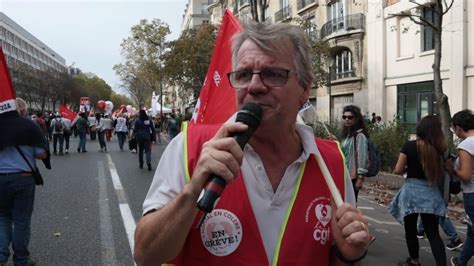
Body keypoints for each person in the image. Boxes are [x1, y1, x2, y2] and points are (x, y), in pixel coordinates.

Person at [134, 22, 369, 265]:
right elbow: (145, 255)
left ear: (304, 89)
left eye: (273, 74)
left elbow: (334, 257)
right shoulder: (189, 146)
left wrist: (347, 254)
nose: (254, 86)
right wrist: (193, 190)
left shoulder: (329, 161)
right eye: (244, 75)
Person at [389, 115, 448, 266]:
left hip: (411, 193)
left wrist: (408, 167)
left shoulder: (409, 146)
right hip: (431, 192)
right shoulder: (440, 149)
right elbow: (448, 170)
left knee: (410, 230)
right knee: (433, 233)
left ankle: (414, 261)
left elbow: (398, 169)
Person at [0, 98, 50, 266]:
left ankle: (1, 257)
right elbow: (42, 154)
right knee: (21, 220)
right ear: (21, 110)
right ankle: (21, 259)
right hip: (22, 177)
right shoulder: (29, 126)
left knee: (3, 218)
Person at [450, 109, 474, 266]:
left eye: (453, 128)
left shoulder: (466, 144)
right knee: (472, 232)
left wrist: (451, 169)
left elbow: (465, 175)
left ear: (458, 127)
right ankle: (461, 262)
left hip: (472, 193)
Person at [340, 105, 369, 201]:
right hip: (344, 175)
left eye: (350, 117)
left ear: (356, 119)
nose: (347, 119)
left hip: (353, 177)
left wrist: (360, 178)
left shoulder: (360, 136)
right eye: (344, 117)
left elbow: (362, 157)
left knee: (350, 203)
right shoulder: (347, 135)